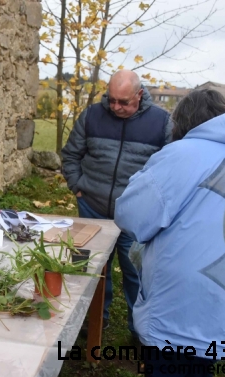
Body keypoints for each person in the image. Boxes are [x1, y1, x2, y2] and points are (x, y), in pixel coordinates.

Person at [114, 89, 225, 377]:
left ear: (183, 122)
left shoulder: (184, 153)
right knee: (200, 368)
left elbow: (132, 216)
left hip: (181, 298)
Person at [61, 70, 172, 337]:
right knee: (90, 267)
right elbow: (71, 155)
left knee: (137, 271)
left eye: (124, 102)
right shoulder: (91, 116)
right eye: (112, 100)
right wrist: (77, 186)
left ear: (139, 94)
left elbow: (171, 168)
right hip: (92, 207)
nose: (116, 107)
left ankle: (141, 330)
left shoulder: (162, 122)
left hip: (137, 214)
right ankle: (94, 319)